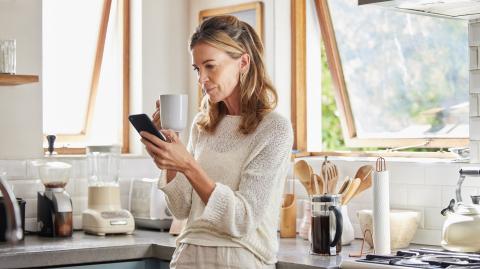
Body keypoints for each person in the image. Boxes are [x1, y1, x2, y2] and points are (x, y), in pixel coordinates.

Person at [140, 15, 293, 269]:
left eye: (210, 66)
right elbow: (180, 209)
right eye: (198, 69)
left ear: (243, 62)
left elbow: (242, 220)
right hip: (188, 255)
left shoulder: (274, 129)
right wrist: (169, 157)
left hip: (239, 258)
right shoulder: (203, 125)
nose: (202, 79)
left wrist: (188, 165)